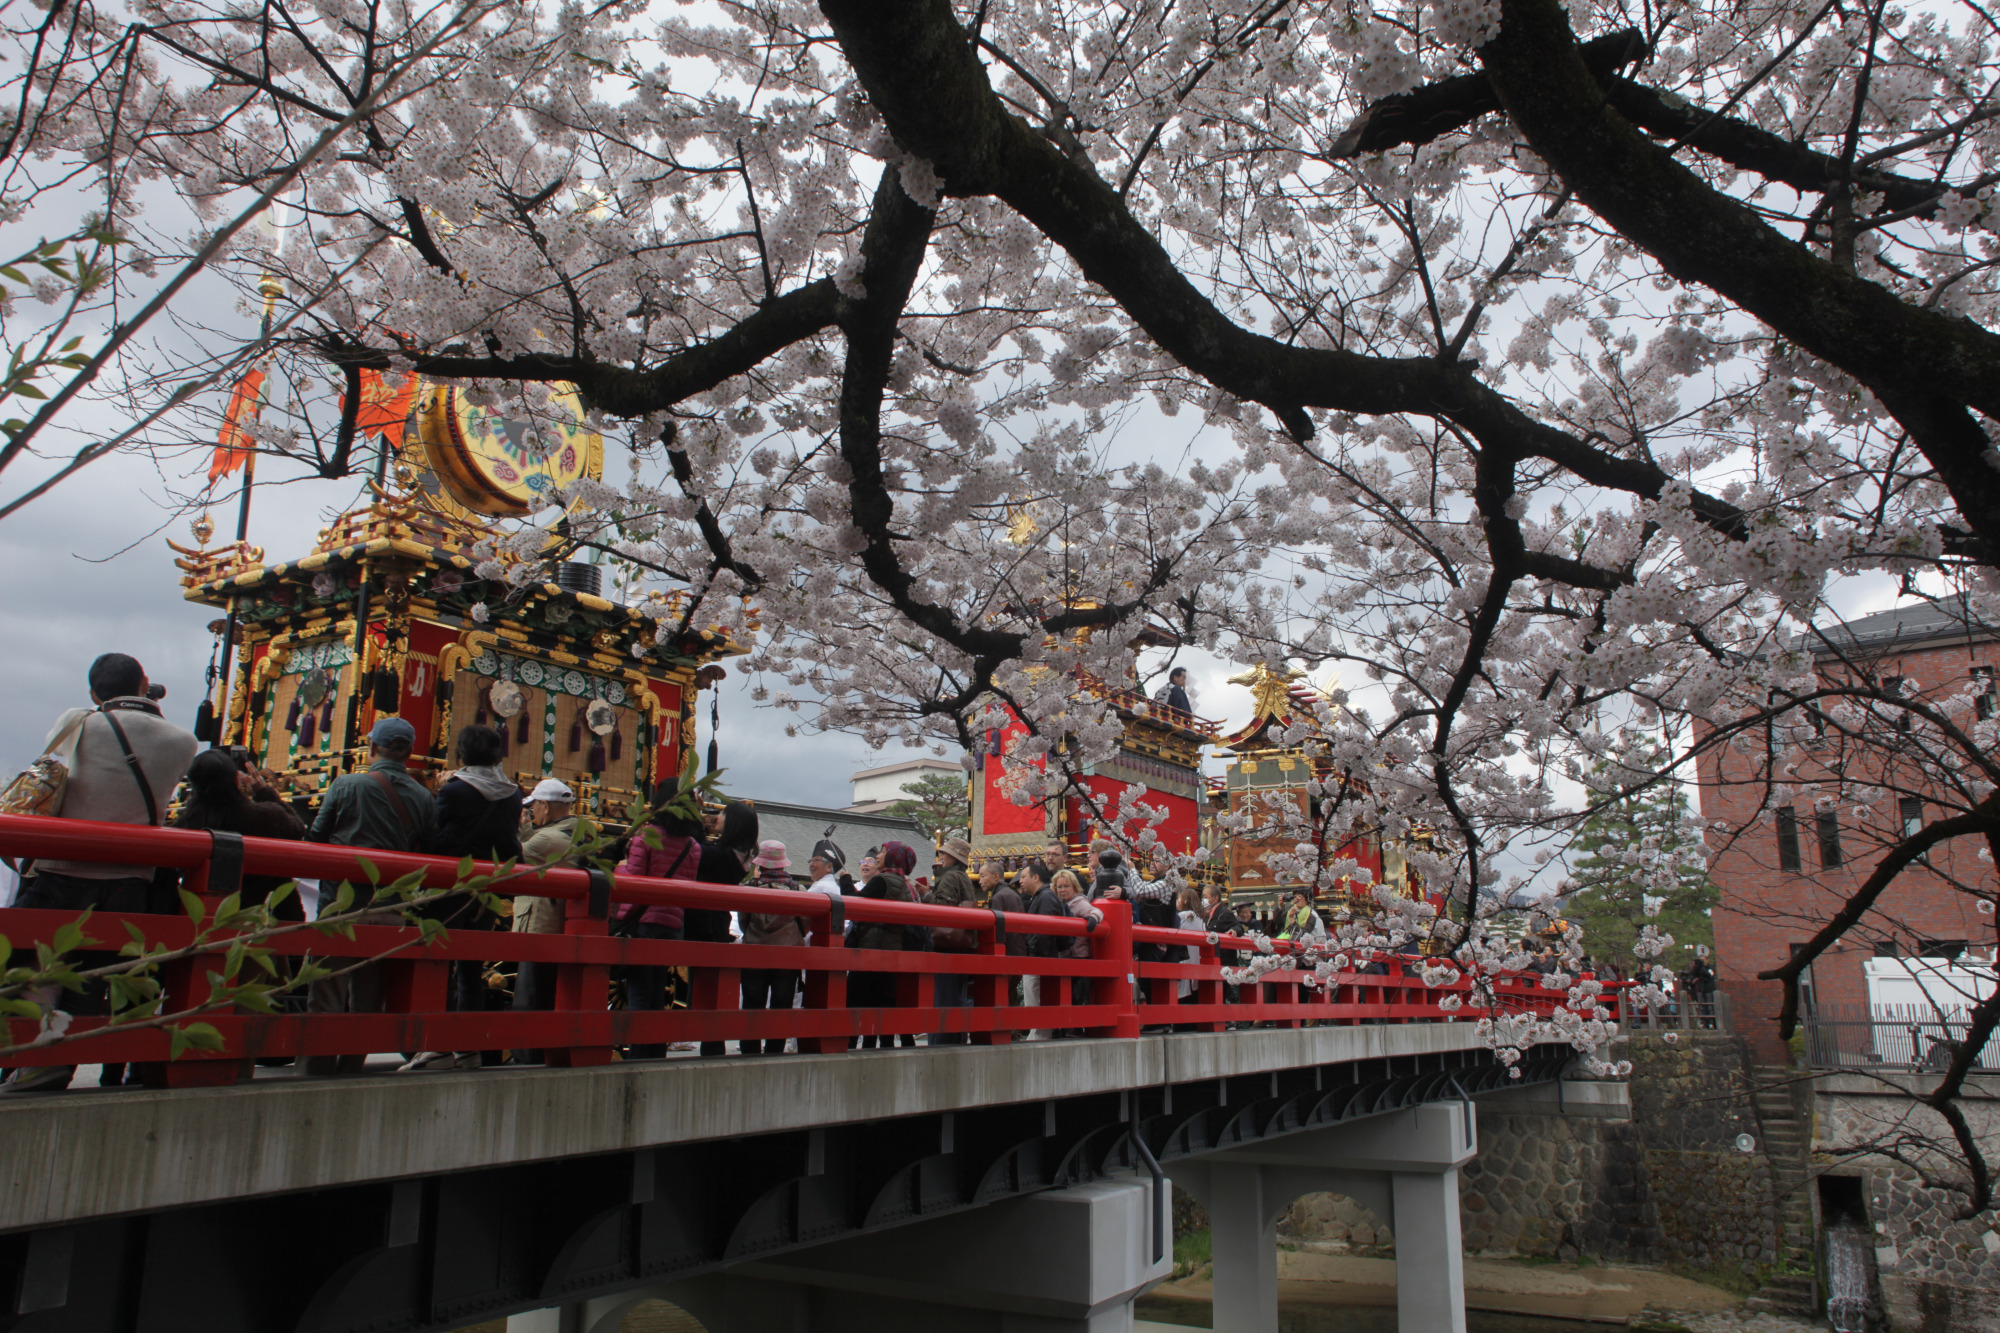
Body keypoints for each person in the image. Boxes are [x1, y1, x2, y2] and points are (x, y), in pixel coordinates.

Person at [4, 654, 201, 1092]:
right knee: (94, 974)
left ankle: (25, 1060)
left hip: (61, 868)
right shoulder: (182, 740)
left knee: (32, 967)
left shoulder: (77, 722)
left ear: (94, 692)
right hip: (132, 878)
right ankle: (60, 1064)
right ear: (144, 682)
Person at [301, 716, 436, 1077]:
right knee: (368, 995)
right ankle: (351, 1068)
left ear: (373, 747)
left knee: (327, 992)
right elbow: (431, 851)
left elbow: (315, 840)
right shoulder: (424, 797)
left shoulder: (346, 785)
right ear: (409, 752)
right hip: (391, 908)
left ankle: (315, 1070)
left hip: (342, 905)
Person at [402, 724, 523, 1073]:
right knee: (471, 970)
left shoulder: (454, 790)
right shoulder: (512, 793)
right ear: (499, 755)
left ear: (461, 755)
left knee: (437, 966)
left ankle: (435, 1046)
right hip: (486, 889)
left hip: (449, 886)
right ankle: (466, 1047)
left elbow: (438, 836)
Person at [506, 779, 583, 1063]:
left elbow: (512, 857)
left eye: (534, 806)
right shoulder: (573, 833)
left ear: (545, 806)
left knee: (530, 996)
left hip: (541, 927)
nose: (532, 812)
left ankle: (527, 1055)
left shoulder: (547, 840)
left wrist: (517, 826)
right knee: (545, 994)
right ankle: (537, 1051)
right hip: (559, 925)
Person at [620, 801, 702, 1059]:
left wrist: (622, 918)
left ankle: (636, 1056)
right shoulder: (693, 846)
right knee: (657, 992)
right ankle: (656, 1055)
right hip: (673, 923)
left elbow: (632, 882)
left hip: (645, 921)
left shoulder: (645, 837)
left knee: (639, 992)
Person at [690, 801, 758, 1056]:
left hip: (704, 924)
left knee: (707, 993)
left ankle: (712, 1044)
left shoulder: (724, 855)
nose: (717, 817)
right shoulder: (740, 854)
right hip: (714, 923)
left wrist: (695, 822)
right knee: (709, 992)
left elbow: (696, 850)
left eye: (722, 814)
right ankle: (712, 1044)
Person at [738, 840, 806, 1055]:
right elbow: (804, 925)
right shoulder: (798, 889)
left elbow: (743, 922)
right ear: (783, 864)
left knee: (752, 1002)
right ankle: (775, 1049)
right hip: (787, 953)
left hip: (755, 951)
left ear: (761, 864)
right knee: (782, 1003)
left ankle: (750, 1048)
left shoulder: (749, 889)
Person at [849, 840, 917, 1049]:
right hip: (894, 953)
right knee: (884, 1004)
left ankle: (849, 1047)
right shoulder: (907, 886)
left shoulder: (883, 881)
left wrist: (844, 881)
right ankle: (885, 1047)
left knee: (855, 1003)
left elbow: (853, 903)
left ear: (892, 857)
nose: (879, 855)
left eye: (883, 851)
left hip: (873, 950)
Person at [925, 837, 978, 1044]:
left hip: (946, 945)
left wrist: (926, 895)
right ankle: (954, 1039)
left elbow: (942, 909)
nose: (941, 857)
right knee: (956, 998)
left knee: (942, 999)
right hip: (962, 945)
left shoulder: (948, 878)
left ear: (952, 858)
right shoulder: (963, 878)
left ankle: (941, 1042)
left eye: (944, 854)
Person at [1051, 869, 1102, 1035]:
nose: (1063, 890)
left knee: (1077, 995)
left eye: (1066, 886)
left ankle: (1075, 1026)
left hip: (1079, 956)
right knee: (1066, 995)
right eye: (1059, 887)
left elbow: (1096, 912)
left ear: (1074, 887)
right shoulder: (1057, 904)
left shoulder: (1079, 903)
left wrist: (1092, 919)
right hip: (1064, 956)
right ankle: (1066, 1025)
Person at [1019, 860, 1064, 1038]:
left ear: (1035, 877)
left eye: (1024, 877)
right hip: (1038, 955)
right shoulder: (1042, 896)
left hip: (1039, 957)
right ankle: (1037, 1031)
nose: (1020, 881)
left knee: (1035, 996)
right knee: (1033, 996)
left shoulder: (1045, 897)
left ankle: (1039, 1032)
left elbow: (1045, 930)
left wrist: (1039, 956)